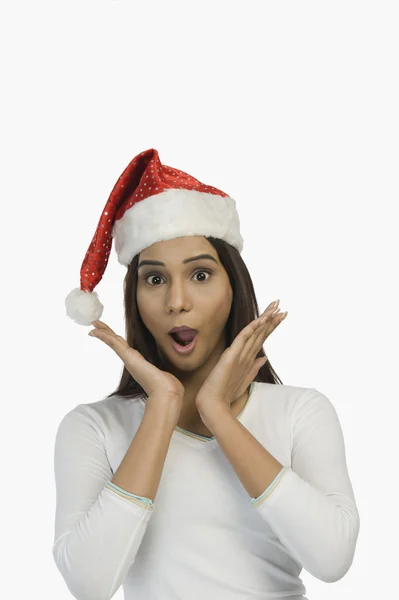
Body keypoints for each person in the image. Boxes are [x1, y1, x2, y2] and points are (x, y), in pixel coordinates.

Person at [53, 147, 360, 600]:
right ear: (134, 297)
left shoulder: (300, 411)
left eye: (200, 275)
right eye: (154, 279)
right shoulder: (94, 427)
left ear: (233, 289)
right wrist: (161, 408)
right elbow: (89, 584)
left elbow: (332, 560)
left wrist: (216, 413)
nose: (177, 301)